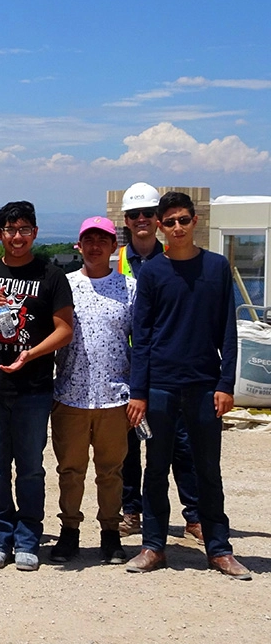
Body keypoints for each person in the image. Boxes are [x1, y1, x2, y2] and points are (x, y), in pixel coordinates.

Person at [126, 192, 251, 580]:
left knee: (207, 470)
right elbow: (141, 336)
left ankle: (219, 549)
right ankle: (153, 546)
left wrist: (225, 383)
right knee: (155, 470)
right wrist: (139, 392)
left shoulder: (216, 268)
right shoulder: (152, 273)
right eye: (170, 221)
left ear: (195, 221)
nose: (177, 227)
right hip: (160, 385)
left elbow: (227, 332)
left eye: (183, 220)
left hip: (203, 385)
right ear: (160, 227)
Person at [0, 201, 73, 572]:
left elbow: (65, 330)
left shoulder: (51, 276)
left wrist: (30, 354)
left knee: (31, 467)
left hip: (33, 388)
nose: (17, 237)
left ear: (34, 233)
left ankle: (27, 538)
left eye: (24, 229)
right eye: (9, 230)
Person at [117, 182, 202, 544]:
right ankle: (132, 509)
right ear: (126, 220)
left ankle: (194, 515)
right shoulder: (116, 260)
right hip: (129, 363)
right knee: (129, 444)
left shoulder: (178, 258)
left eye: (148, 215)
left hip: (169, 365)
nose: (141, 221)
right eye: (134, 215)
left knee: (180, 443)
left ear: (158, 220)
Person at [49, 216, 135, 566]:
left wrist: (139, 393)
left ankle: (110, 533)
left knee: (111, 471)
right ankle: (69, 531)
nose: (95, 246)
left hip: (114, 397)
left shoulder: (131, 288)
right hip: (70, 395)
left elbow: (141, 343)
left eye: (103, 240)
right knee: (70, 470)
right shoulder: (63, 285)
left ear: (114, 247)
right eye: (89, 240)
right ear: (79, 245)